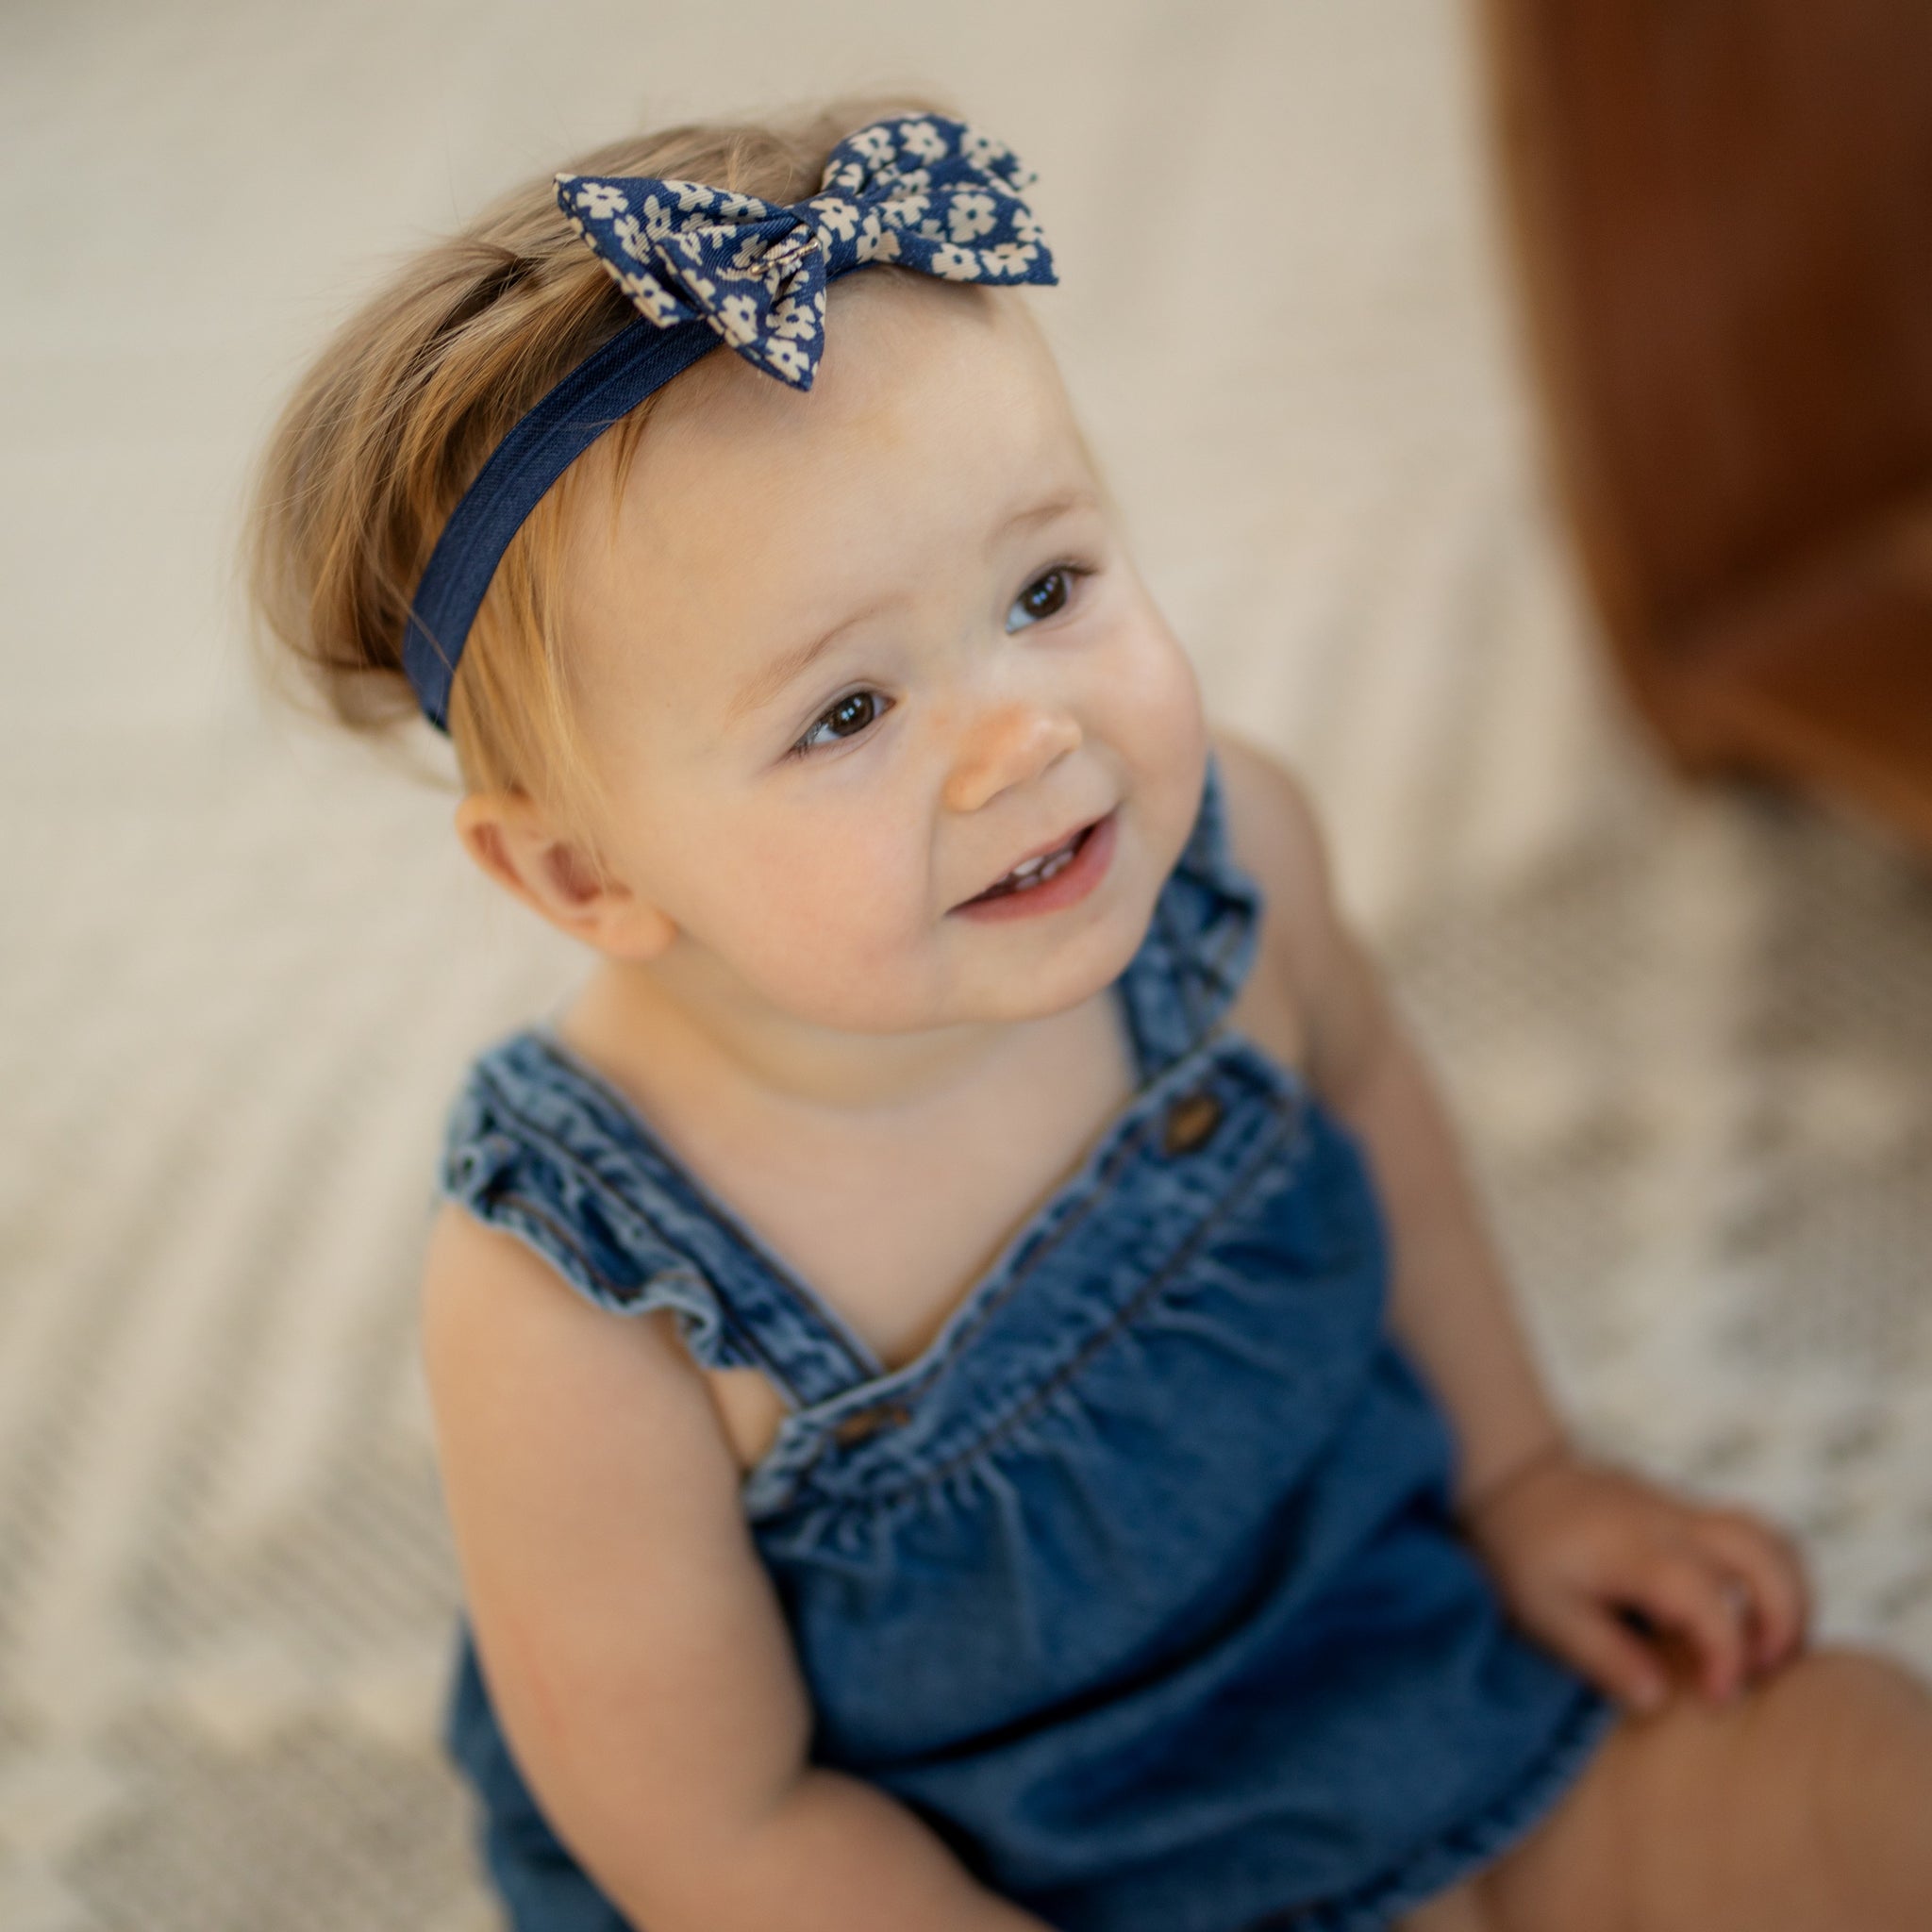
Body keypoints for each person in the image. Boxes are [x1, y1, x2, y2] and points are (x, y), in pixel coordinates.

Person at [243, 93, 1932, 1932]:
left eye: (1046, 588)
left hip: (1377, 1661)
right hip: (960, 1877)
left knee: (1862, 1775)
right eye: (848, 712)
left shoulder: (1230, 869)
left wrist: (1525, 1478)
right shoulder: (577, 1295)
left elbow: (1369, 1099)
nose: (1027, 735)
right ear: (584, 877)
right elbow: (723, 1832)